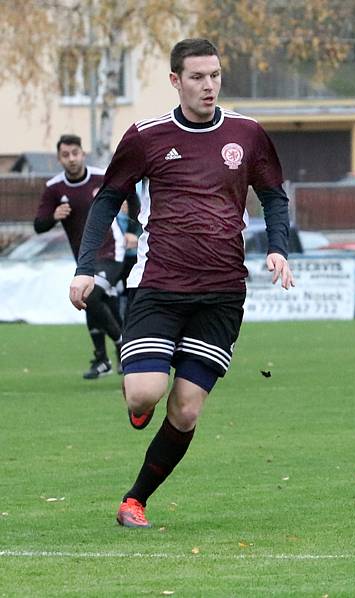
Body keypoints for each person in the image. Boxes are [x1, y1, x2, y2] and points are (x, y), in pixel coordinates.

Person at [68, 38, 294, 529]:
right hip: (159, 287)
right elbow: (107, 200)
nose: (208, 85)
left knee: (187, 410)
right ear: (176, 80)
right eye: (197, 77)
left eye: (214, 75)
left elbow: (274, 196)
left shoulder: (247, 133)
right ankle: (141, 393)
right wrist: (85, 266)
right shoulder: (146, 136)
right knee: (143, 395)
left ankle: (135, 500)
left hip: (222, 293)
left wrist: (278, 246)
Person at [34, 134, 126, 379]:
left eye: (75, 153)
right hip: (84, 259)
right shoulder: (54, 188)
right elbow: (38, 225)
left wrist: (134, 231)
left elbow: (133, 197)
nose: (71, 159)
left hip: (111, 250)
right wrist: (53, 216)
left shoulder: (101, 176)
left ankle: (121, 345)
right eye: (66, 155)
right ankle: (103, 360)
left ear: (82, 154)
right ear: (59, 159)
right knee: (95, 300)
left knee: (90, 295)